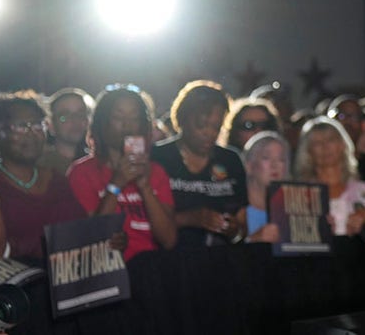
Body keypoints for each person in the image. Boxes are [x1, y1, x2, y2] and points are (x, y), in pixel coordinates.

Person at [68, 84, 178, 260]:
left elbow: (168, 240)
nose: (127, 125)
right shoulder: (82, 172)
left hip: (152, 270)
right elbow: (91, 236)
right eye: (118, 117)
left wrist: (145, 187)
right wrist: (116, 184)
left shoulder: (156, 172)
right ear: (102, 123)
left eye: (135, 118)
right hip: (108, 272)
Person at [0, 90, 86, 262]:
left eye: (37, 125)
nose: (31, 133)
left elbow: (82, 233)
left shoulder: (57, 181)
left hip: (62, 281)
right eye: (20, 126)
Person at [152, 80, 249, 247]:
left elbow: (242, 225)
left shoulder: (230, 160)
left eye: (216, 127)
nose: (209, 133)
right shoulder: (158, 157)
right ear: (182, 119)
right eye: (201, 125)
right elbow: (142, 221)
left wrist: (234, 229)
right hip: (168, 259)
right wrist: (190, 218)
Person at [292, 116, 365, 256]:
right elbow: (291, 247)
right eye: (317, 143)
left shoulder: (362, 191)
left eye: (330, 140)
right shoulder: (300, 194)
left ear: (343, 145)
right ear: (308, 152)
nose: (324, 147)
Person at [240, 130, 286, 242]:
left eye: (281, 159)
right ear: (249, 165)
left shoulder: (293, 206)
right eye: (266, 157)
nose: (274, 165)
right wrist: (253, 240)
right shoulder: (235, 206)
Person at [39, 87, 94, 175]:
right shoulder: (41, 166)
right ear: (51, 125)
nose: (75, 120)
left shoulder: (96, 163)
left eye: (80, 114)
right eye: (64, 117)